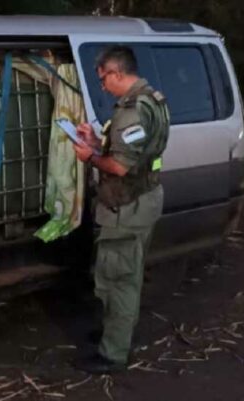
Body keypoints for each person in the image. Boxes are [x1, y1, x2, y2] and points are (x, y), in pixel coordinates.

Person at [71, 45, 170, 374]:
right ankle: (116, 333)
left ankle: (113, 353)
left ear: (116, 73)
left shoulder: (131, 111)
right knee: (129, 274)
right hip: (144, 198)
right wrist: (96, 141)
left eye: (103, 80)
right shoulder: (151, 99)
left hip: (127, 206)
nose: (102, 86)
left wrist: (89, 157)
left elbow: (120, 166)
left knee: (118, 280)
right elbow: (132, 151)